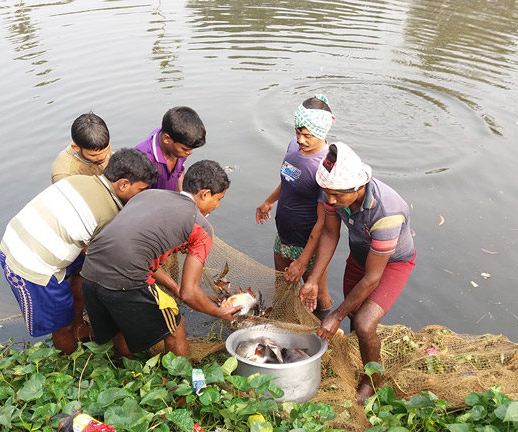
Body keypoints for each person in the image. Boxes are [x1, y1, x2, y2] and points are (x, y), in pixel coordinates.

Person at [0, 148, 158, 354]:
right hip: (29, 265)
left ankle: (80, 328)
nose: (142, 196)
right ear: (123, 184)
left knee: (82, 271)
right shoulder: (108, 214)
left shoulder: (81, 180)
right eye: (141, 190)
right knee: (61, 324)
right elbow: (104, 258)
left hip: (16, 238)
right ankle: (70, 361)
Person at [80, 160, 241, 357]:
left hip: (89, 271)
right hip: (126, 278)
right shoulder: (201, 227)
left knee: (119, 329)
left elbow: (137, 252)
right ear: (204, 193)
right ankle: (182, 382)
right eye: (218, 199)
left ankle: (125, 372)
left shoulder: (148, 195)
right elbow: (190, 293)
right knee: (175, 326)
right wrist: (218, 312)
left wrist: (175, 288)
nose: (217, 206)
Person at [301, 142, 416, 404]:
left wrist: (335, 316)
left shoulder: (387, 211)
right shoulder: (334, 191)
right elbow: (330, 233)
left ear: (359, 187)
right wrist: (314, 280)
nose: (330, 200)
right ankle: (360, 347)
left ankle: (371, 379)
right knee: (354, 312)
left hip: (392, 263)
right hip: (360, 254)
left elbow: (372, 278)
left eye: (337, 196)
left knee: (364, 322)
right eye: (326, 193)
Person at [255, 95, 334, 320]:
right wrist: (269, 201)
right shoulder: (293, 147)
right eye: (298, 132)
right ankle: (284, 325)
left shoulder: (325, 168)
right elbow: (288, 179)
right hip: (284, 237)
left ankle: (326, 330)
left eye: (307, 135)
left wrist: (302, 261)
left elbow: (323, 222)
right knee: (282, 287)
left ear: (321, 133)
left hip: (308, 245)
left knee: (317, 293)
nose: (300, 139)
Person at [135, 106, 206, 191]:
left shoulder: (176, 145)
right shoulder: (143, 160)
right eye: (185, 149)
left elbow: (179, 172)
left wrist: (181, 197)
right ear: (167, 139)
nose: (190, 153)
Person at [51, 112, 113, 183]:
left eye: (106, 149)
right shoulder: (64, 175)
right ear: (76, 148)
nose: (103, 157)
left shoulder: (102, 143)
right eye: (93, 155)